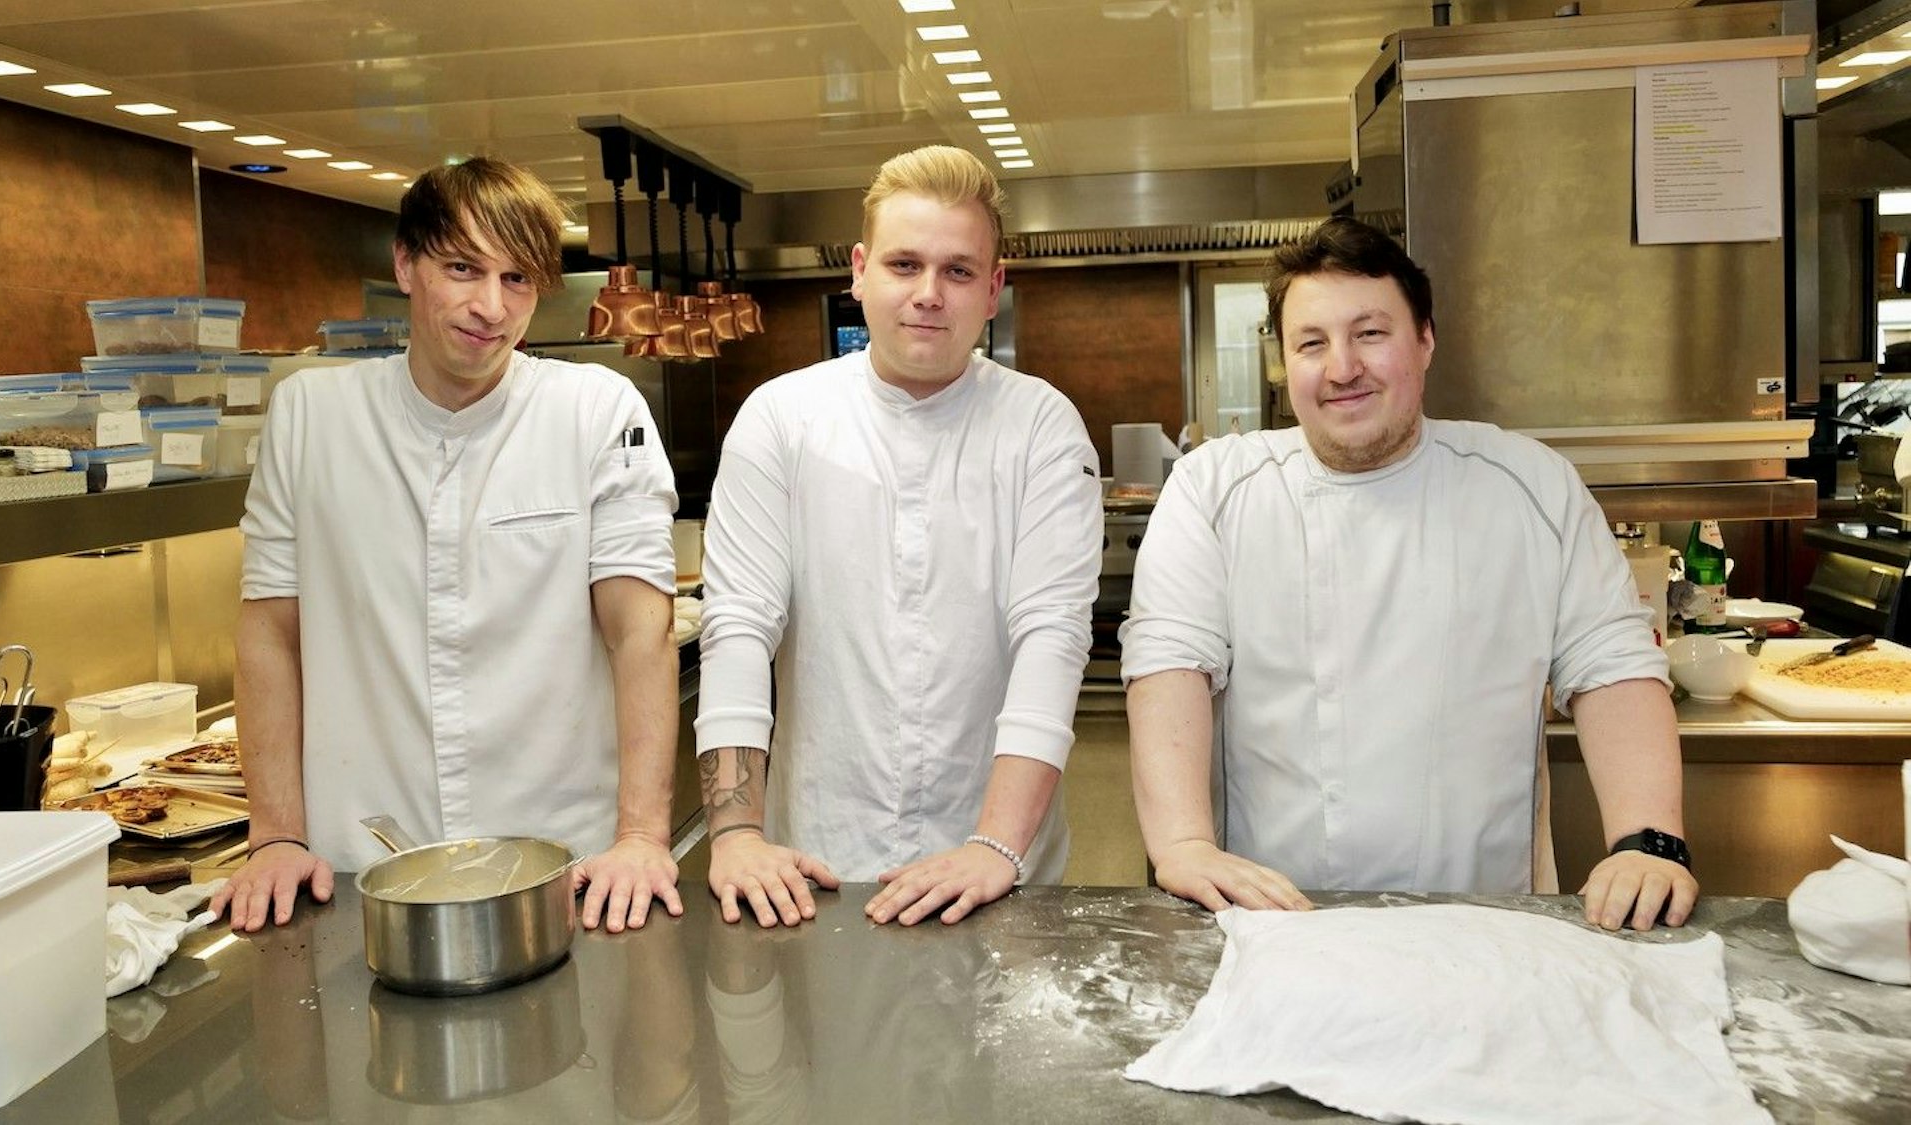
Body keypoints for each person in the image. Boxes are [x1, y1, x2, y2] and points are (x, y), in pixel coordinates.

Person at [1122, 216, 1699, 933]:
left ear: (1425, 339)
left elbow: (1612, 665)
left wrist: (1649, 840)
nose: (1341, 368)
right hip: (1275, 921)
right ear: (1284, 362)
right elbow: (1169, 662)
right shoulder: (1216, 489)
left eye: (1370, 333)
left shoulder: (1531, 486)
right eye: (1312, 343)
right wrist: (1182, 844)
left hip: (1485, 921)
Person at [212, 157, 683, 934]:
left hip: (567, 867)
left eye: (517, 280)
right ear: (405, 263)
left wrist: (641, 835)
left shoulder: (596, 410)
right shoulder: (310, 419)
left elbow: (642, 631)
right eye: (462, 269)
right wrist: (277, 833)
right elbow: (269, 630)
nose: (490, 307)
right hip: (364, 865)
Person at [694, 145, 1102, 928]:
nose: (927, 294)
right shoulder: (782, 420)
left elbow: (1052, 637)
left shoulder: (1040, 426)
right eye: (904, 264)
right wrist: (737, 831)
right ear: (859, 270)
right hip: (816, 865)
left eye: (957, 271)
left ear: (993, 289)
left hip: (1001, 865)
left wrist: (996, 845)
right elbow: (739, 625)